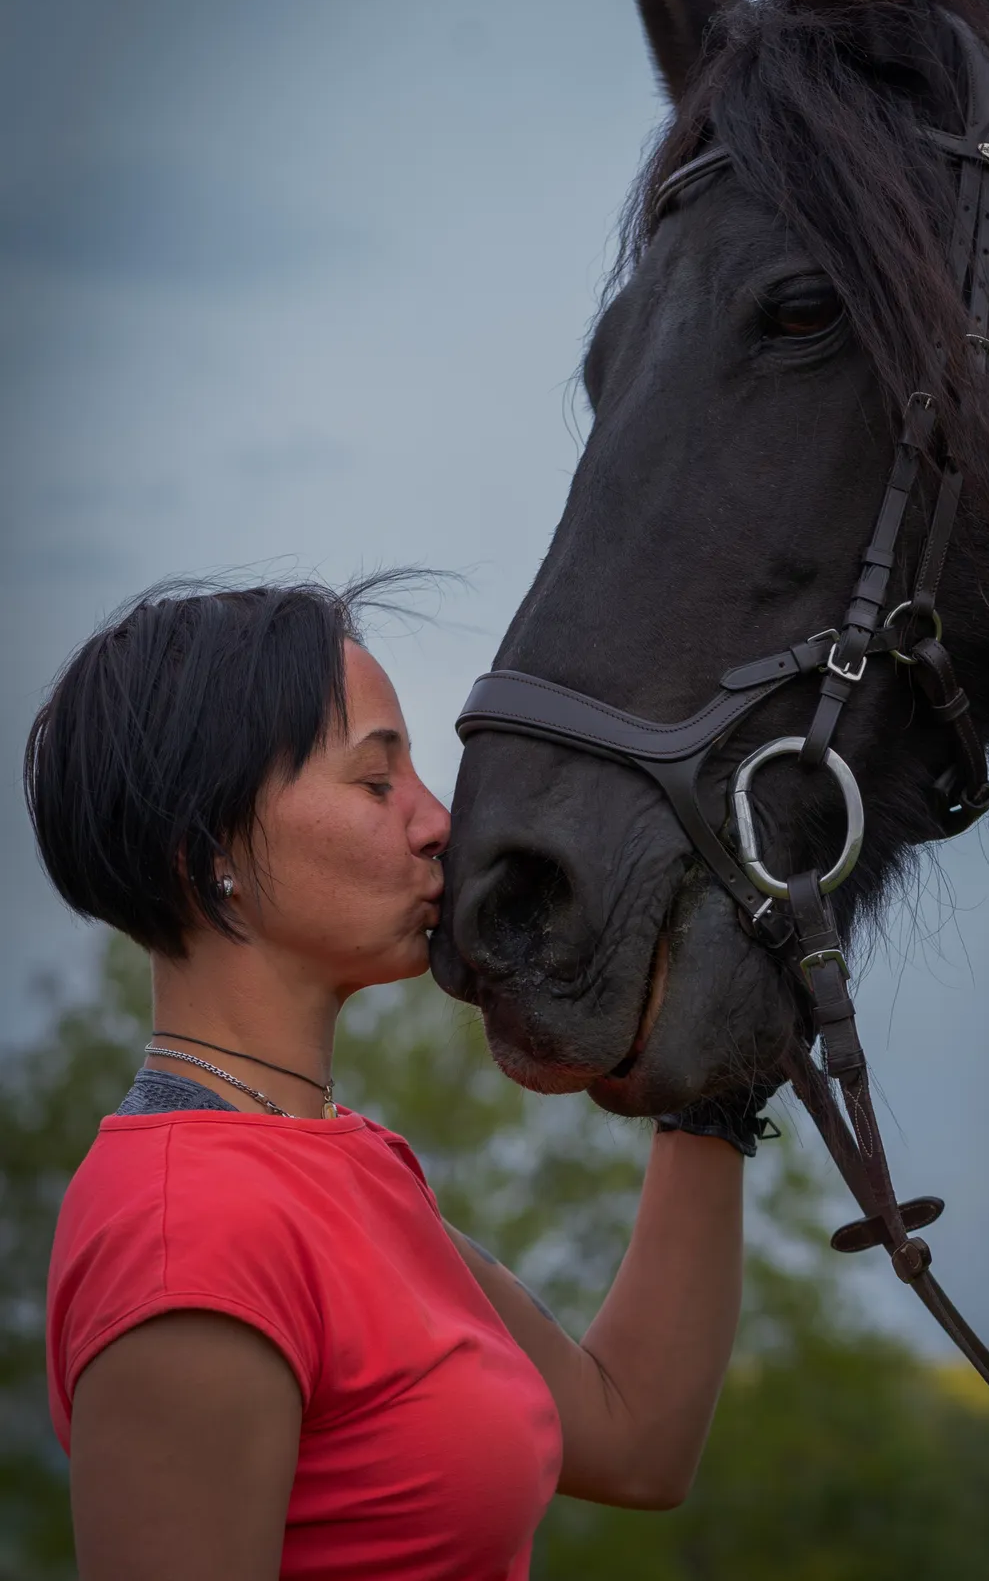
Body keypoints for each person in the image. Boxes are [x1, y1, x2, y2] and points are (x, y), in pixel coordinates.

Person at [25, 578, 775, 1581]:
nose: (436, 823)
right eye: (377, 783)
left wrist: (714, 1082)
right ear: (207, 861)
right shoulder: (193, 1236)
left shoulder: (342, 1160)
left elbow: (631, 1436)